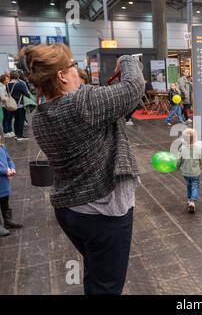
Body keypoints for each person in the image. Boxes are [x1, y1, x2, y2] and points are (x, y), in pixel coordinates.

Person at [22, 43, 145, 294]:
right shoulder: (83, 104)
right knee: (107, 286)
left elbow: (104, 112)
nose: (77, 70)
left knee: (96, 272)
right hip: (103, 214)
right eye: (73, 66)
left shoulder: (40, 116)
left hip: (70, 210)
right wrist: (127, 60)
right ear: (62, 75)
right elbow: (134, 87)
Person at [177, 128, 202, 213]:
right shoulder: (198, 148)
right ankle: (192, 201)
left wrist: (177, 167)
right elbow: (200, 160)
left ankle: (188, 199)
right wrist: (199, 165)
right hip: (195, 172)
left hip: (185, 172)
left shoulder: (182, 148)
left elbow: (179, 160)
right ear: (195, 138)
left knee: (188, 185)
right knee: (195, 185)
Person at [0, 138, 19, 236]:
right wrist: (5, 171)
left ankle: (8, 221)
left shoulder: (2, 148)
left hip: (4, 183)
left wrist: (12, 168)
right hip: (2, 177)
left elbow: (8, 159)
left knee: (5, 202)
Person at [5, 71, 31, 140]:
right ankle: (19, 136)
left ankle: (16, 135)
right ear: (17, 77)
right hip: (20, 105)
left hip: (11, 105)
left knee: (16, 120)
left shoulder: (7, 85)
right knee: (20, 120)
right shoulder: (20, 84)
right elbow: (27, 94)